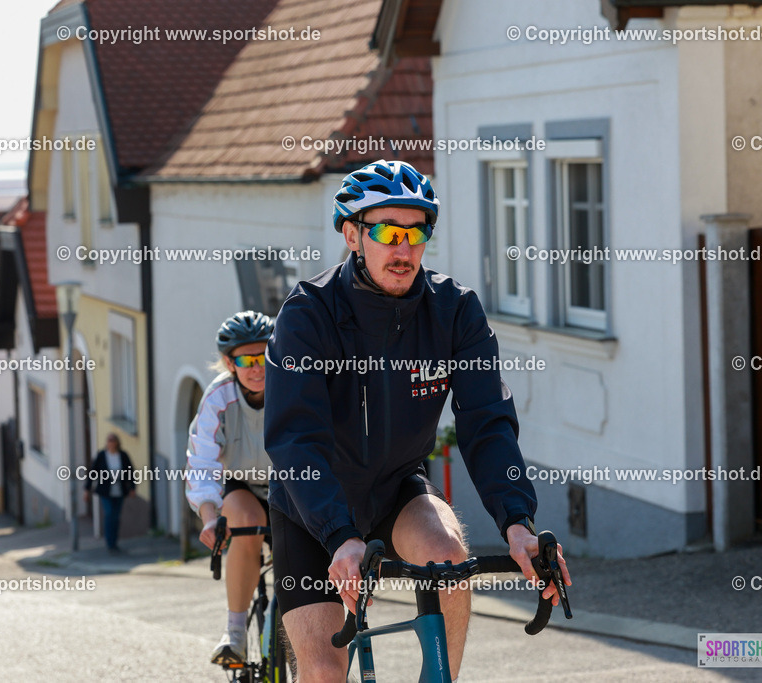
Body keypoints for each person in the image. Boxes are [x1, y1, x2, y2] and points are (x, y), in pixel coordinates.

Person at [263, 159, 572, 681]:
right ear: (352, 235)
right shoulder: (307, 316)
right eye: (386, 231)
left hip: (396, 488)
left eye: (416, 232)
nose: (403, 248)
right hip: (311, 508)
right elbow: (295, 438)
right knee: (323, 673)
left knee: (449, 558)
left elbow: (487, 422)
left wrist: (518, 524)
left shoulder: (454, 311)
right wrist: (339, 535)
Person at [186, 311, 275, 666]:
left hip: (293, 487)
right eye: (246, 360)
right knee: (243, 520)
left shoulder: (294, 385)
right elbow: (201, 464)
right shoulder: (218, 398)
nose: (257, 368)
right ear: (229, 362)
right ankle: (235, 634)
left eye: (264, 356)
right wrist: (209, 518)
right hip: (242, 487)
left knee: (299, 548)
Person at [83, 433, 136, 553]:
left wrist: (132, 488)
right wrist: (87, 489)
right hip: (105, 491)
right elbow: (93, 473)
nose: (111, 443)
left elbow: (130, 472)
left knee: (116, 517)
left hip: (119, 491)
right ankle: (109, 543)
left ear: (117, 442)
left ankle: (114, 542)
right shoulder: (102, 456)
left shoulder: (122, 455)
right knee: (109, 514)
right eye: (109, 441)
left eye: (113, 440)